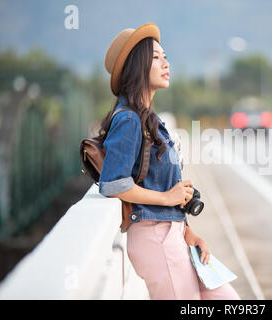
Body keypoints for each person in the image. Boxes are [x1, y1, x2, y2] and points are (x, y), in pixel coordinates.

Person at [97, 22, 240, 300]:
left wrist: (188, 230)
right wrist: (168, 198)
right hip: (154, 237)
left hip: (172, 233)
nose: (166, 63)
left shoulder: (151, 120)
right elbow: (113, 184)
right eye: (156, 58)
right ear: (136, 67)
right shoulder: (128, 119)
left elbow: (154, 181)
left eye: (165, 56)